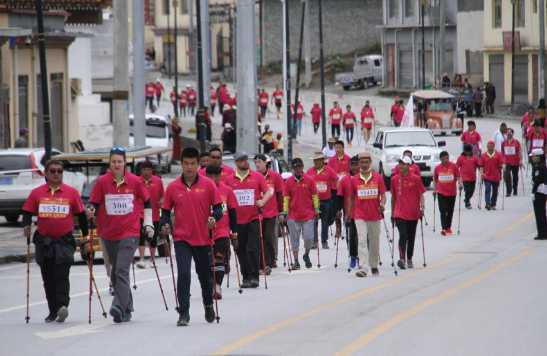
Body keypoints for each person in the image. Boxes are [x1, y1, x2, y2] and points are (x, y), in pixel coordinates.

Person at [87, 147, 153, 323]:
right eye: (113, 161)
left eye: (120, 161)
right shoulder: (102, 182)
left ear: (125, 162)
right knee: (115, 274)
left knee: (121, 270)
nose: (116, 164)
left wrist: (148, 222)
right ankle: (127, 308)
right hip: (108, 233)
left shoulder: (135, 181)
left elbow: (147, 200)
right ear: (110, 163)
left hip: (130, 233)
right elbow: (94, 201)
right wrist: (91, 209)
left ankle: (117, 306)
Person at [160, 147, 223, 326]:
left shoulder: (208, 184)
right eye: (186, 164)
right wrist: (164, 224)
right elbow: (164, 211)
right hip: (181, 239)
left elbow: (219, 208)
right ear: (181, 164)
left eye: (193, 164)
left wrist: (214, 218)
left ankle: (208, 304)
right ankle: (184, 313)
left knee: (205, 276)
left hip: (203, 238)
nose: (189, 167)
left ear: (198, 165)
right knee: (184, 274)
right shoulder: (173, 187)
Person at [22, 159, 88, 323]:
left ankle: (62, 306)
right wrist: (26, 226)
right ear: (46, 174)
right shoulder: (37, 193)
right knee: (48, 278)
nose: (57, 174)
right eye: (53, 171)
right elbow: (27, 213)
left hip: (64, 241)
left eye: (59, 171)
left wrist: (85, 238)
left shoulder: (71, 192)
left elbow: (81, 215)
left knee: (62, 275)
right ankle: (52, 311)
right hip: (44, 242)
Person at [225, 151, 272, 288]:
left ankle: (254, 277)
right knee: (241, 250)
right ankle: (245, 277)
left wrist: (262, 202)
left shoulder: (257, 176)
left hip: (253, 218)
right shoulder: (229, 179)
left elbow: (267, 192)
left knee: (253, 248)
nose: (246, 162)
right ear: (236, 163)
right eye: (242, 160)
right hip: (237, 221)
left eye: (246, 159)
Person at [347, 152, 386, 277]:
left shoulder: (377, 177)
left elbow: (383, 195)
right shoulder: (355, 180)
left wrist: (382, 205)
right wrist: (348, 214)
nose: (364, 164)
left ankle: (373, 265)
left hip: (375, 215)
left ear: (370, 162)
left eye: (366, 162)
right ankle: (363, 268)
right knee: (362, 241)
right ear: (358, 164)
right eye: (361, 162)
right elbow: (352, 198)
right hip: (360, 215)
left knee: (374, 241)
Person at [206, 164, 238, 299]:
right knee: (207, 263)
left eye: (216, 176)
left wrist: (234, 234)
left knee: (219, 260)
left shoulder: (227, 190)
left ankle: (217, 286)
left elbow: (233, 213)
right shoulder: (201, 190)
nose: (213, 179)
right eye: (210, 176)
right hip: (204, 233)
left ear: (220, 176)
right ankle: (209, 284)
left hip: (222, 232)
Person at [281, 158, 319, 269]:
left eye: (300, 167)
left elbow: (315, 196)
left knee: (308, 238)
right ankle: (296, 261)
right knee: (294, 239)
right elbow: (286, 198)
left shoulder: (309, 180)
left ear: (302, 167)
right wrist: (285, 212)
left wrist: (316, 209)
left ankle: (306, 255)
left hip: (308, 214)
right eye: (296, 167)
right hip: (293, 214)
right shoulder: (288, 181)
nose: (298, 169)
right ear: (292, 169)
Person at [390, 156, 426, 269]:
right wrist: (392, 212)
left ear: (409, 166)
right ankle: (402, 259)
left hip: (413, 212)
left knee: (411, 237)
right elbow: (393, 196)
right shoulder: (394, 179)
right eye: (399, 163)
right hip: (399, 212)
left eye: (404, 164)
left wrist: (422, 207)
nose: (400, 166)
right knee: (403, 235)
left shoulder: (416, 179)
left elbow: (421, 194)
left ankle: (409, 258)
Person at [254, 154, 284, 274]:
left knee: (269, 238)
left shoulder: (275, 176)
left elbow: (280, 194)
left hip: (271, 213)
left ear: (266, 163)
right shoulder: (253, 177)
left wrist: (281, 211)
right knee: (258, 239)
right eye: (255, 162)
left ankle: (269, 263)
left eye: (259, 162)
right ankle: (260, 264)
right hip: (256, 214)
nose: (257, 164)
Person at [306, 152, 339, 249]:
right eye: (314, 160)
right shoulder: (309, 171)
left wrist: (339, 191)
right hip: (313, 202)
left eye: (317, 160)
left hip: (326, 200)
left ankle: (324, 241)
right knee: (314, 222)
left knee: (325, 222)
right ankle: (314, 241)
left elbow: (336, 179)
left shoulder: (329, 170)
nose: (315, 162)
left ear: (322, 161)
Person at [136, 161, 164, 268]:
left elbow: (162, 195)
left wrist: (161, 201)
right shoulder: (136, 181)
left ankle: (152, 259)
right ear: (141, 170)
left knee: (153, 237)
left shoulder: (158, 181)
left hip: (154, 213)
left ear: (152, 171)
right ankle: (142, 259)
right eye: (144, 169)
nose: (146, 172)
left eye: (148, 170)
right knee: (141, 236)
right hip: (140, 213)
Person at [336, 156, 359, 268]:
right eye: (352, 165)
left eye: (356, 164)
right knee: (351, 236)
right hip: (349, 213)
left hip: (363, 213)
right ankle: (353, 256)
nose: (354, 167)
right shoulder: (344, 180)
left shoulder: (363, 178)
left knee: (362, 237)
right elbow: (339, 197)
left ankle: (362, 256)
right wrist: (338, 210)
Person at [433, 151, 462, 235]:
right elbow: (435, 179)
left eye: (447, 158)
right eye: (443, 158)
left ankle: (448, 227)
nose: (445, 160)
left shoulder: (454, 166)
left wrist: (460, 183)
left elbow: (459, 176)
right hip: (441, 192)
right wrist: (435, 190)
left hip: (452, 192)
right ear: (440, 159)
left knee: (450, 210)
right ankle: (444, 228)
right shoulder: (437, 168)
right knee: (442, 210)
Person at [479, 140, 505, 211]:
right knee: (487, 189)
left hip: (496, 176)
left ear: (494, 147)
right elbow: (481, 165)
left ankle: (493, 204)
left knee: (495, 191)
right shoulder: (483, 155)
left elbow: (502, 162)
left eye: (491, 146)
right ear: (487, 147)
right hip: (486, 176)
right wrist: (481, 173)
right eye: (489, 146)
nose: (490, 148)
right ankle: (487, 203)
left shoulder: (498, 154)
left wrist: (503, 167)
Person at [530, 149, 547, 240]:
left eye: (534, 156)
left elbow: (537, 181)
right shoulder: (542, 165)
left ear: (538, 157)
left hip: (539, 191)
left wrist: (533, 192)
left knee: (539, 213)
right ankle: (543, 232)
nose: (532, 158)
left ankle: (542, 233)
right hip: (542, 191)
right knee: (542, 212)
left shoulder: (539, 167)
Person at [456, 144, 479, 209]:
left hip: (473, 177)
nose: (468, 153)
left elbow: (478, 165)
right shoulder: (460, 157)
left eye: (469, 151)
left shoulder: (474, 157)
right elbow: (456, 167)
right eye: (466, 151)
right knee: (467, 190)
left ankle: (467, 199)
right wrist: (456, 176)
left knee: (472, 190)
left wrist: (481, 171)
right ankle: (467, 203)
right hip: (464, 177)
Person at [501, 128, 523, 197]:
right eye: (507, 132)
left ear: (512, 133)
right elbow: (502, 153)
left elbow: (519, 151)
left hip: (515, 162)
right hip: (507, 162)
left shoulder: (516, 142)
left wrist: (520, 160)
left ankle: (515, 189)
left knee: (515, 176)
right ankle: (508, 191)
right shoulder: (503, 143)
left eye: (510, 132)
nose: (509, 134)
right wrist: (502, 162)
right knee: (507, 176)